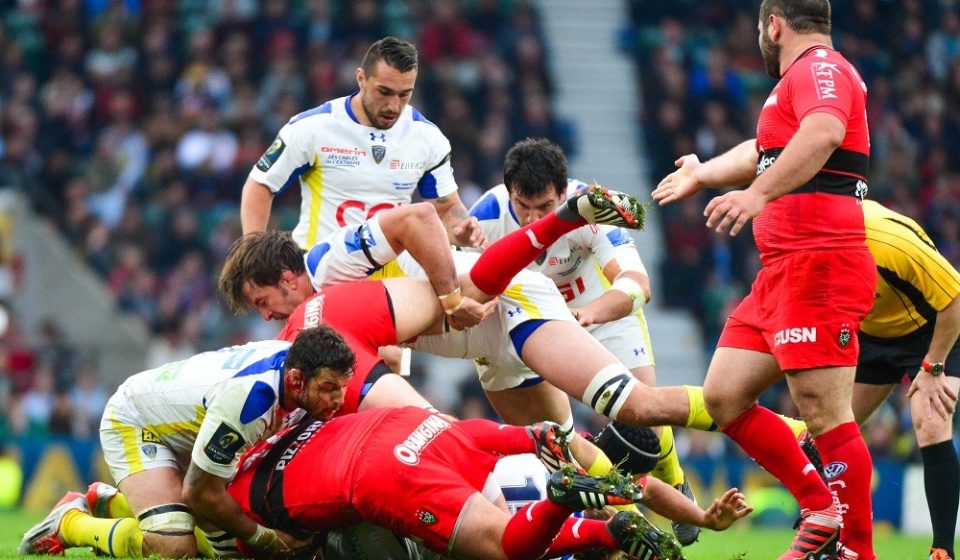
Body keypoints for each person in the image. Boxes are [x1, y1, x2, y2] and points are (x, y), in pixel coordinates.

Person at [651, 1, 876, 559]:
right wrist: (703, 173)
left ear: (774, 23)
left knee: (824, 411)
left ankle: (859, 550)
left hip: (819, 260)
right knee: (726, 396)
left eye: (760, 28)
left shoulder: (820, 68)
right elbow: (763, 153)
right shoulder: (798, 83)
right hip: (781, 271)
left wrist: (757, 195)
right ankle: (821, 507)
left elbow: (823, 132)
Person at [470, 137, 700, 545]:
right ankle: (631, 531)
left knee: (646, 413)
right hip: (522, 325)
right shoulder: (485, 216)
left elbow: (637, 284)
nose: (532, 219)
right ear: (509, 193)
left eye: (544, 208)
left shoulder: (593, 207)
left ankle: (676, 484)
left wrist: (589, 315)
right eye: (523, 206)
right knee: (554, 448)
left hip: (597, 312)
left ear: (564, 192)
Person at [226, 407, 748, 560]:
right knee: (519, 549)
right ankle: (602, 535)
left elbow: (642, 492)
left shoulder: (578, 449)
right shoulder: (599, 479)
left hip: (449, 453)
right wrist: (696, 519)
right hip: (458, 503)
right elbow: (642, 493)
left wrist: (701, 518)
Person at [18, 327, 356, 558]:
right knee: (175, 547)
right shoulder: (251, 401)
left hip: (190, 424)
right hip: (137, 420)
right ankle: (69, 522)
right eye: (329, 388)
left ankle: (110, 501)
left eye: (343, 386)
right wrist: (266, 540)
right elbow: (199, 492)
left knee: (226, 542)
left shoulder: (297, 364)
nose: (338, 398)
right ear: (297, 380)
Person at [240, 36, 485, 250]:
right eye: (384, 92)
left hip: (392, 280)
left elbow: (446, 208)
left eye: (404, 95)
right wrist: (251, 254)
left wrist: (462, 229)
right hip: (322, 274)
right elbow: (261, 185)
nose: (393, 106)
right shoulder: (313, 128)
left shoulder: (427, 138)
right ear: (361, 78)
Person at [853, 200, 960, 560]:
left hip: (936, 329)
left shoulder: (887, 239)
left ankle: (942, 551)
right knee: (830, 428)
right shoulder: (810, 242)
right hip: (872, 334)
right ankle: (832, 536)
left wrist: (933, 367)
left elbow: (955, 299)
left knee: (930, 424)